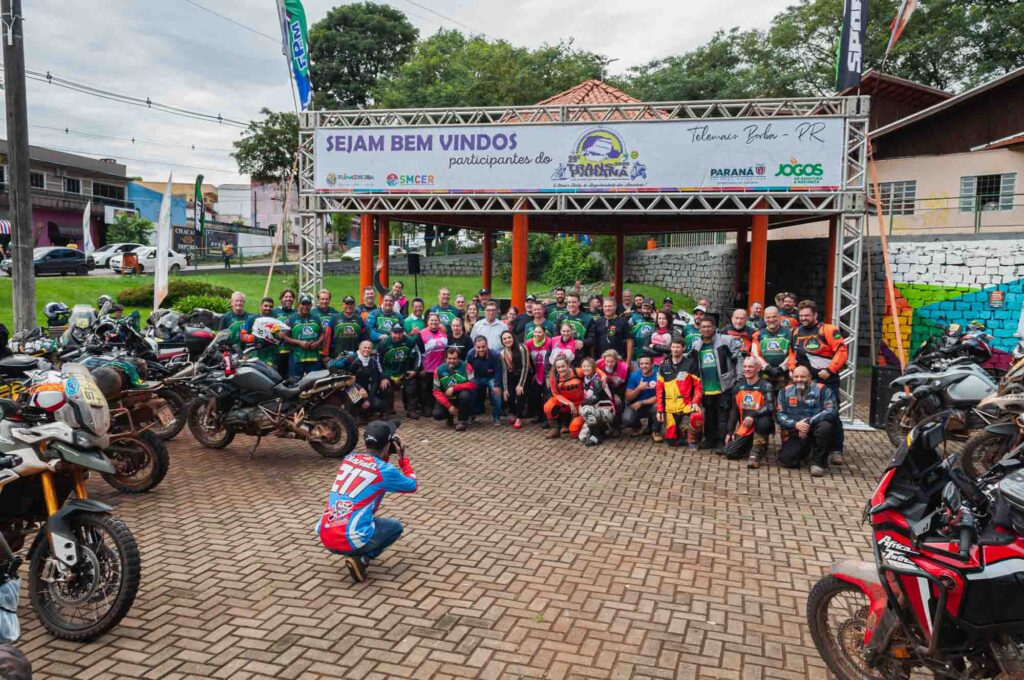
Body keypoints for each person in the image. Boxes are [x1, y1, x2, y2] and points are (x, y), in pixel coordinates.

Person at [317, 419, 417, 583]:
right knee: (395, 528)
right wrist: (403, 459)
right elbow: (412, 485)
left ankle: (355, 551)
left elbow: (372, 469)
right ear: (388, 445)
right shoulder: (385, 470)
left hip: (326, 536)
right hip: (349, 537)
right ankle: (362, 559)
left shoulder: (349, 458)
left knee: (362, 515)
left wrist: (386, 451)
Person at [790, 299, 848, 465]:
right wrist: (793, 369)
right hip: (804, 382)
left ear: (815, 314)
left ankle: (836, 450)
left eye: (807, 315)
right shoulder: (795, 332)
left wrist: (829, 370)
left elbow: (842, 353)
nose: (804, 318)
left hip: (827, 380)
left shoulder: (828, 330)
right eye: (801, 316)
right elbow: (792, 353)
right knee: (802, 411)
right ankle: (806, 448)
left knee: (832, 413)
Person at [776, 365, 837, 477]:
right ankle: (807, 452)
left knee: (826, 426)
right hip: (796, 429)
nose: (799, 379)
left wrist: (808, 422)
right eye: (796, 376)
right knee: (786, 460)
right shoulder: (784, 392)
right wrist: (795, 424)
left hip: (815, 428)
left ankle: (818, 463)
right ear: (792, 377)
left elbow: (831, 411)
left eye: (803, 376)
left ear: (810, 377)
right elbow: (780, 415)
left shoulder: (823, 390)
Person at [692, 318, 741, 453]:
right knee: (709, 415)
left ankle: (721, 441)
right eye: (703, 327)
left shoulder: (726, 340)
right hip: (706, 387)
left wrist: (739, 378)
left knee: (723, 415)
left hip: (724, 385)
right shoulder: (696, 345)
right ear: (699, 329)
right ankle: (709, 439)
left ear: (714, 327)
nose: (706, 329)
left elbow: (738, 358)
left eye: (709, 326)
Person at [724, 357, 775, 468]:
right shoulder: (738, 387)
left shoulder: (766, 385)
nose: (747, 369)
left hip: (760, 423)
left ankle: (756, 452)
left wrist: (753, 415)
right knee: (730, 452)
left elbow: (770, 406)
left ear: (758, 368)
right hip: (746, 426)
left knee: (764, 422)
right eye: (745, 366)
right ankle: (754, 444)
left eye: (751, 366)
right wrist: (730, 431)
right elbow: (734, 410)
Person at [655, 338, 703, 449]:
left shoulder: (690, 364)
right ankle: (682, 433)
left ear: (683, 348)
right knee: (671, 441)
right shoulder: (663, 366)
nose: (675, 349)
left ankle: (692, 440)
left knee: (697, 415)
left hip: (686, 405)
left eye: (678, 347)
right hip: (670, 408)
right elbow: (659, 390)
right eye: (673, 347)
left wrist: (695, 402)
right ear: (670, 348)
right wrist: (660, 410)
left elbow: (698, 387)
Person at [377, 325, 421, 419]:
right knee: (385, 388)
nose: (397, 335)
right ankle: (386, 410)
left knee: (411, 388)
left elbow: (418, 355)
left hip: (404, 371)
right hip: (389, 372)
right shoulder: (384, 343)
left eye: (400, 333)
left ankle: (411, 410)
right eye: (395, 333)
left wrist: (415, 370)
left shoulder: (409, 341)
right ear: (391, 332)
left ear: (403, 332)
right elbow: (378, 360)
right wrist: (383, 377)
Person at [432, 347, 475, 431]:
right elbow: (436, 391)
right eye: (449, 358)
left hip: (461, 396)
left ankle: (462, 421)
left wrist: (454, 388)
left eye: (454, 358)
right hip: (447, 397)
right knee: (437, 414)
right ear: (445, 358)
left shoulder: (466, 366)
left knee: (465, 395)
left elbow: (473, 384)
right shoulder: (439, 370)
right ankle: (449, 417)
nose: (452, 361)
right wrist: (449, 406)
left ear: (459, 358)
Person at [751, 306, 793, 392]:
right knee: (766, 400)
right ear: (764, 318)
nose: (771, 319)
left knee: (783, 399)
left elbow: (792, 353)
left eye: (774, 317)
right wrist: (768, 368)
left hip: (784, 374)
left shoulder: (789, 333)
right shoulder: (758, 334)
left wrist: (782, 368)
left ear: (779, 317)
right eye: (768, 317)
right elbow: (755, 354)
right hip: (764, 374)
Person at [543, 355, 585, 440]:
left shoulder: (578, 372)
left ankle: (573, 425)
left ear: (568, 365)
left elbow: (594, 369)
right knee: (548, 406)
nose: (561, 369)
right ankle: (556, 428)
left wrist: (603, 376)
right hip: (566, 404)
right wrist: (570, 403)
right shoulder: (555, 377)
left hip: (580, 404)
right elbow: (556, 394)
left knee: (574, 432)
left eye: (563, 366)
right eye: (558, 367)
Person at [576, 357, 615, 446]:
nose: (586, 368)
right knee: (583, 437)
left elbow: (595, 398)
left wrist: (581, 405)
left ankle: (596, 436)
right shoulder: (584, 378)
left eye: (588, 366)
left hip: (606, 410)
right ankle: (603, 428)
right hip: (595, 410)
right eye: (584, 366)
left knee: (585, 409)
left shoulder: (597, 379)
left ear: (593, 367)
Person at [416, 313, 449, 414]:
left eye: (436, 320)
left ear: (439, 322)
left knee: (438, 388)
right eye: (431, 320)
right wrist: (420, 367)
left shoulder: (444, 332)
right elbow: (418, 353)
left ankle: (437, 407)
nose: (434, 322)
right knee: (426, 389)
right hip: (427, 368)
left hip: (440, 368)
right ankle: (426, 407)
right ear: (427, 322)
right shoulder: (421, 334)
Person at [284, 294, 324, 378]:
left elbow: (322, 334)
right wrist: (299, 342)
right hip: (297, 358)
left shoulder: (316, 318)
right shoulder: (291, 319)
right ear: (299, 304)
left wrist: (317, 343)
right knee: (295, 383)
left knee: (315, 384)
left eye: (308, 304)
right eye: (303, 304)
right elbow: (284, 337)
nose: (305, 306)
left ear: (311, 305)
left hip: (314, 358)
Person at [624, 355, 661, 441]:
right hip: (636, 407)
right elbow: (628, 397)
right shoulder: (634, 376)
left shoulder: (658, 376)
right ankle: (637, 427)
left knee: (658, 406)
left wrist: (642, 402)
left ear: (652, 364)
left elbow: (660, 396)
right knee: (627, 419)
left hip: (651, 405)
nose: (644, 366)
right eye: (642, 364)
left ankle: (656, 430)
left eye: (647, 363)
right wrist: (639, 388)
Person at [467, 336, 503, 425]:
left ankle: (496, 417)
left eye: (483, 347)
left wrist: (497, 385)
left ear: (487, 345)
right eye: (478, 347)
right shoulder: (470, 354)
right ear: (474, 347)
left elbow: (498, 371)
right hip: (476, 377)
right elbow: (467, 369)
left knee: (497, 393)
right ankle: (471, 416)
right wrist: (469, 382)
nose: (481, 349)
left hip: (491, 377)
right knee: (469, 392)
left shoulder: (495, 355)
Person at [499, 330, 529, 430]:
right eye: (504, 339)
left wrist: (521, 384)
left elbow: (526, 366)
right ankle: (515, 413)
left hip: (523, 375)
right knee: (509, 396)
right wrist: (505, 389)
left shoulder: (522, 348)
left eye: (509, 337)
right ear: (502, 341)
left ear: (513, 337)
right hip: (511, 376)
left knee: (520, 394)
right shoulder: (503, 353)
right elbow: (504, 371)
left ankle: (519, 418)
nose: (507, 340)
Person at [525, 325, 553, 424]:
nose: (537, 334)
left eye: (539, 332)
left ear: (544, 333)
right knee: (535, 396)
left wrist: (549, 374)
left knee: (546, 396)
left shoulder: (550, 342)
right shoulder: (528, 343)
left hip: (547, 374)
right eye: (535, 332)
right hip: (535, 374)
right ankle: (538, 416)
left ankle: (547, 419)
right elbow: (526, 361)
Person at [325, 295, 365, 360]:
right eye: (347, 303)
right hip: (336, 355)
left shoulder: (359, 319)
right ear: (342, 305)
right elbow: (327, 337)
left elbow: (363, 337)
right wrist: (325, 354)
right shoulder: (335, 318)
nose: (349, 306)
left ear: (354, 305)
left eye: (351, 303)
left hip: (355, 355)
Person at [595, 298, 632, 365]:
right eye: (605, 306)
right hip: (601, 359)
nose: (607, 308)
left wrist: (628, 361)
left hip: (619, 359)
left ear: (615, 307)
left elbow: (629, 341)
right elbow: (594, 341)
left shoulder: (623, 322)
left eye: (610, 306)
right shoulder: (598, 322)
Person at [562, 293, 595, 359]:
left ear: (579, 303)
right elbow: (556, 334)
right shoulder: (561, 317)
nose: (571, 304)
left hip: (580, 356)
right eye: (569, 302)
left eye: (574, 302)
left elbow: (592, 338)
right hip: (564, 354)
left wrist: (583, 342)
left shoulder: (588, 319)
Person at [272, 289, 296, 377]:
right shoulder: (274, 311)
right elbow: (268, 325)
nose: (288, 299)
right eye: (286, 297)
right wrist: (277, 332)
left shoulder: (297, 312)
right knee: (279, 375)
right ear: (281, 298)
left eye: (290, 297)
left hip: (292, 350)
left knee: (291, 375)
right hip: (278, 350)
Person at [596, 349, 628, 416]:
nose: (609, 364)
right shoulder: (598, 363)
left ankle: (618, 420)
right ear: (603, 359)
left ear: (616, 360)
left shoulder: (623, 368)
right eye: (607, 361)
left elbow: (624, 384)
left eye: (612, 362)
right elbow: (591, 368)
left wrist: (617, 394)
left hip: (618, 388)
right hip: (603, 386)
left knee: (618, 402)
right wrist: (603, 375)